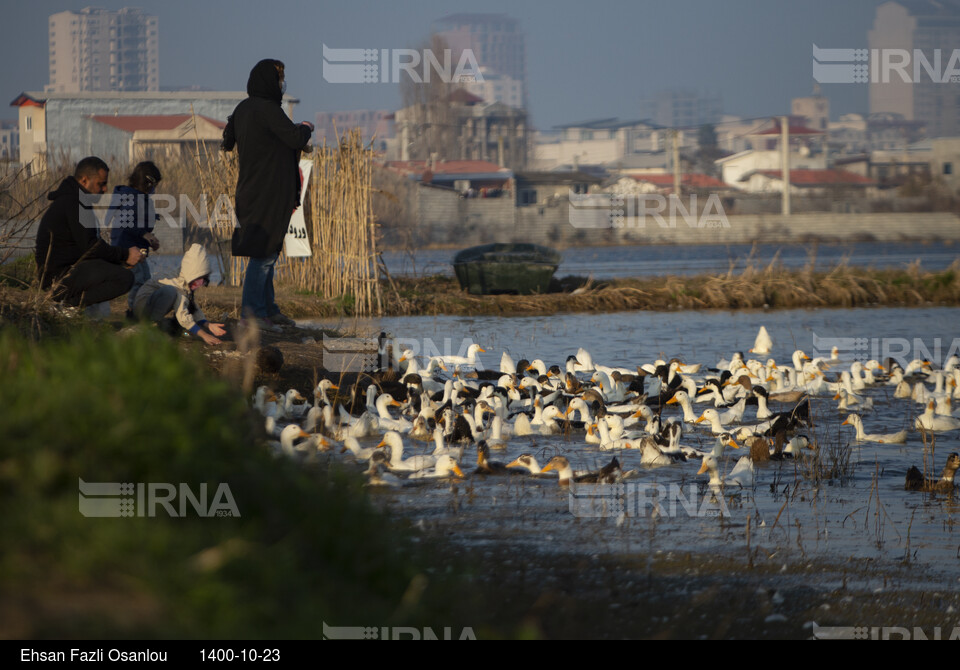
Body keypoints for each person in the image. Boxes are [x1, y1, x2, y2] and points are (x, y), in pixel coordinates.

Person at [222, 59, 313, 332]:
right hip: (268, 193)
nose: (282, 85)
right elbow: (296, 138)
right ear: (268, 82)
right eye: (279, 79)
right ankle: (252, 316)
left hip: (251, 190)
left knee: (269, 251)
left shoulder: (243, 109)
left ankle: (269, 310)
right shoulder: (268, 109)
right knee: (262, 255)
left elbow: (227, 141)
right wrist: (307, 126)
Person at [35, 156, 142, 312]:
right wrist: (125, 254)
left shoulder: (74, 199)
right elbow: (91, 247)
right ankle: (66, 306)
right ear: (84, 181)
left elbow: (87, 249)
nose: (105, 189)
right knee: (124, 278)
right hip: (58, 280)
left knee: (116, 271)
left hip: (63, 274)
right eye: (101, 184)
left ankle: (67, 304)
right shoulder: (76, 203)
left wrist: (120, 260)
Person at [132, 243, 226, 346]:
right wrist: (204, 335)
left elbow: (191, 306)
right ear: (191, 274)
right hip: (142, 308)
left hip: (151, 305)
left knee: (177, 298)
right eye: (197, 280)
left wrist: (208, 324)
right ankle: (149, 325)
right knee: (170, 291)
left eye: (202, 281)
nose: (199, 285)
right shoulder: (176, 284)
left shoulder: (185, 281)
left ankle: (154, 323)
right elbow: (182, 315)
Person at [106, 161, 162, 319]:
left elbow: (140, 224)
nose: (154, 190)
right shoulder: (130, 198)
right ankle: (133, 313)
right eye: (154, 185)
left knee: (146, 281)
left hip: (138, 248)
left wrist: (150, 237)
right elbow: (125, 223)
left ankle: (142, 311)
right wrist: (145, 234)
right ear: (147, 184)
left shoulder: (140, 199)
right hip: (127, 248)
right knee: (138, 282)